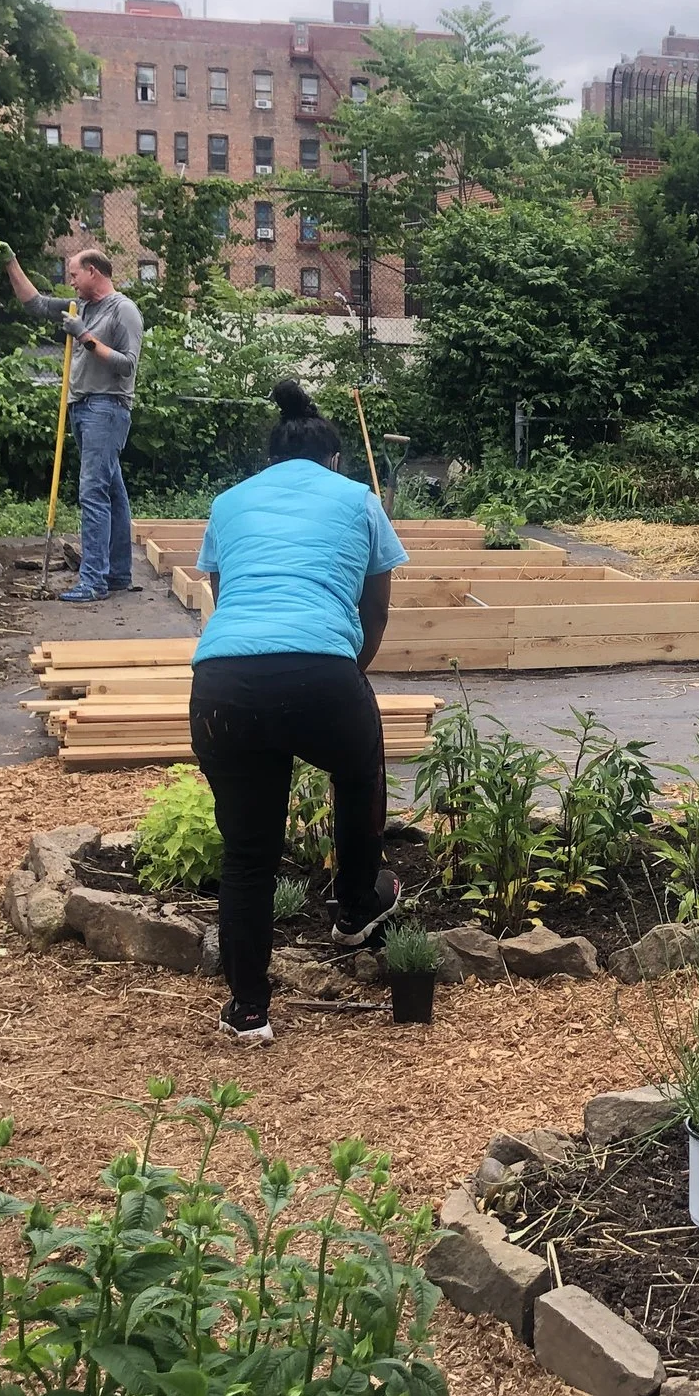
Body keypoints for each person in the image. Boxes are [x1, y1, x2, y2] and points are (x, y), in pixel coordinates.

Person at [189, 384, 410, 1045]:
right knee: (360, 767)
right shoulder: (358, 499)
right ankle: (356, 908)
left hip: (222, 684)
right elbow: (375, 611)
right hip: (322, 671)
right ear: (335, 460)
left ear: (269, 461)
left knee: (248, 854)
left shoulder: (229, 505)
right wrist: (343, 681)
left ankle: (249, 1011)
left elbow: (227, 602)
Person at [0, 246, 144, 602]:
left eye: (75, 274)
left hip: (107, 408)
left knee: (93, 491)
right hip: (82, 406)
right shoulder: (79, 307)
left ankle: (93, 582)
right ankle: (118, 574)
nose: (71, 282)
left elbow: (127, 364)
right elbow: (33, 303)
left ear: (93, 271)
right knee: (111, 491)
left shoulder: (122, 310)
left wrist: (85, 337)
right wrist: (10, 262)